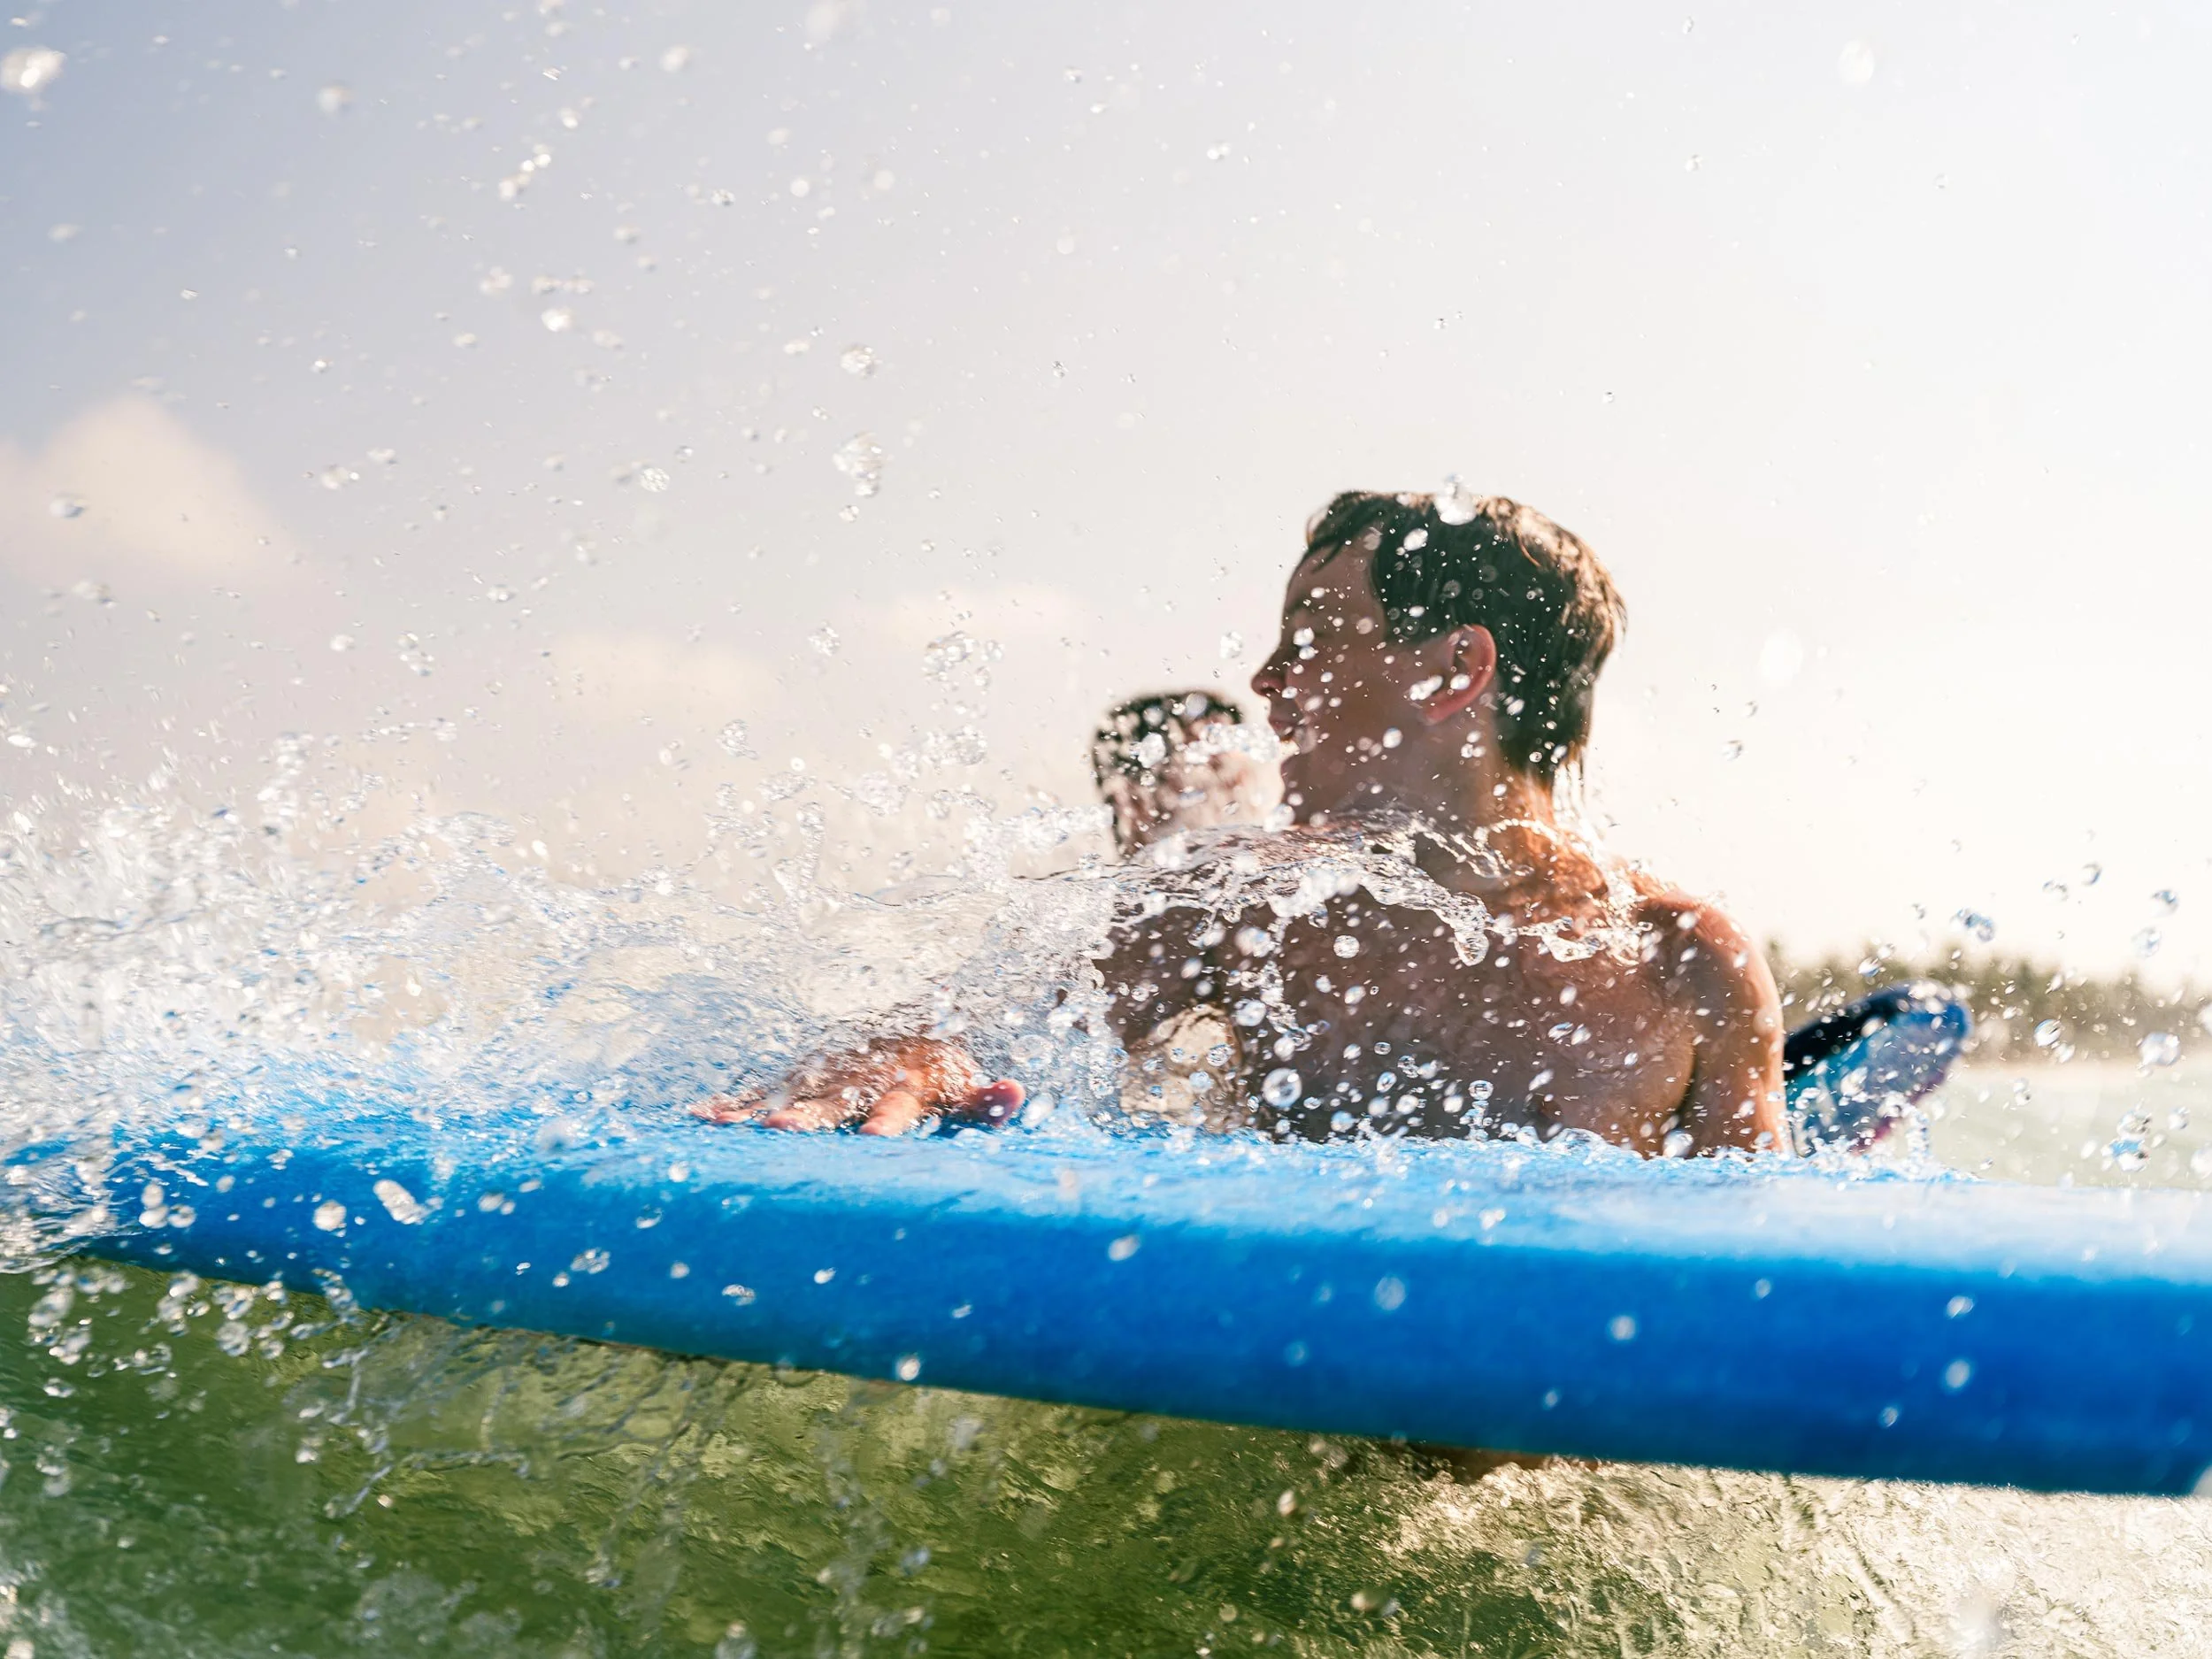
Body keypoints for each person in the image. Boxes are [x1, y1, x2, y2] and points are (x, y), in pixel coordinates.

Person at [699, 488, 1786, 1156]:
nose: (1268, 682)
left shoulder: (1681, 961)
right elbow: (1000, 1022)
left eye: (1312, 634)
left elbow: (1746, 1298)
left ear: (1457, 667)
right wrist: (923, 1056)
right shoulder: (1246, 906)